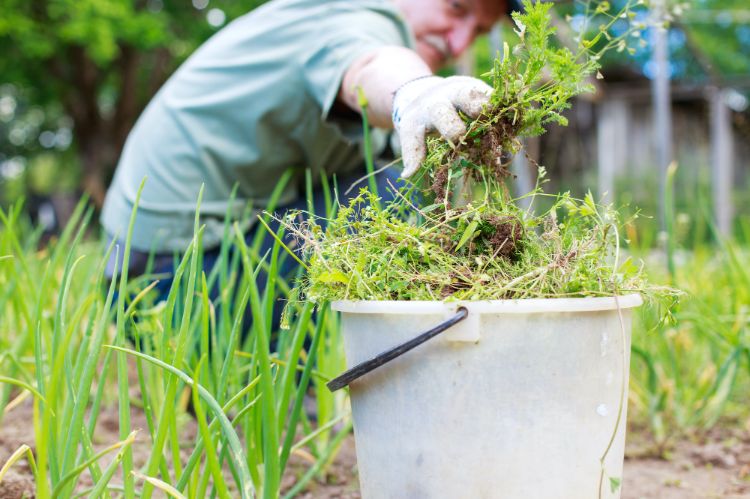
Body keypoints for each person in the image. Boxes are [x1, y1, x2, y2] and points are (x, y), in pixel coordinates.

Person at [101, 0, 517, 305]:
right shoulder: (351, 15)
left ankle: (299, 381)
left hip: (179, 261)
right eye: (457, 8)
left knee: (401, 175)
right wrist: (413, 91)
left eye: (478, 32)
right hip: (163, 278)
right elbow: (370, 65)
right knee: (400, 191)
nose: (459, 41)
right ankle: (286, 385)